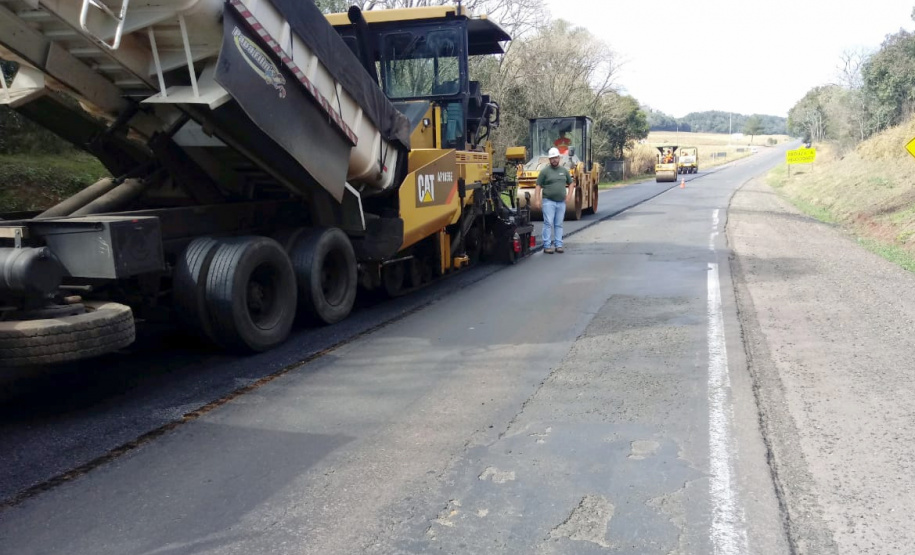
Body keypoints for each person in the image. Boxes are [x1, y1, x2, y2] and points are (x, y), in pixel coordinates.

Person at [536, 147, 572, 254]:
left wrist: (569, 195)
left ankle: (559, 245)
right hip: (548, 201)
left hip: (561, 202)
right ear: (549, 159)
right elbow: (538, 186)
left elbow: (571, 183)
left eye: (556, 158)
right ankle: (547, 246)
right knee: (548, 223)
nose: (554, 160)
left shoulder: (564, 171)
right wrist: (537, 200)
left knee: (559, 224)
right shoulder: (544, 172)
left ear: (559, 158)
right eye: (552, 158)